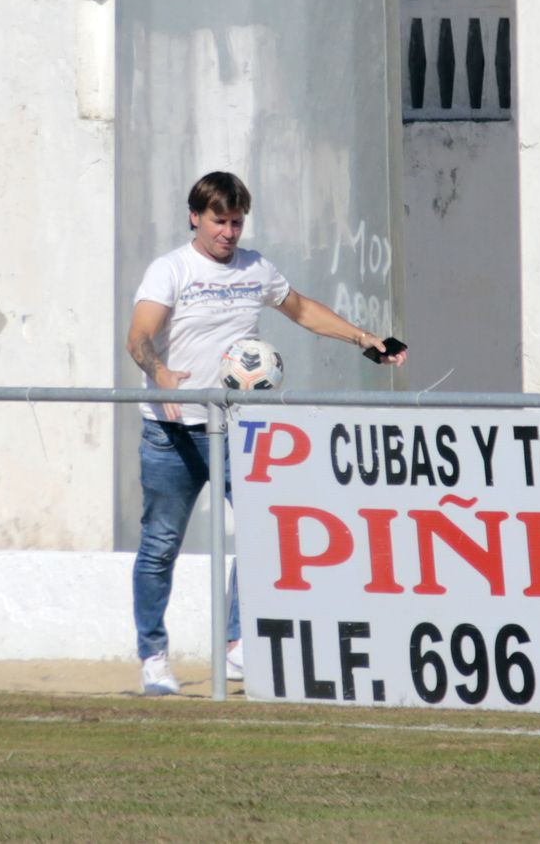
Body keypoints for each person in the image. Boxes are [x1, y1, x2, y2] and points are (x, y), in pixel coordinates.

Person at [125, 171, 406, 695]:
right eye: (218, 222)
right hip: (172, 432)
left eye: (235, 222)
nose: (228, 233)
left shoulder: (256, 269)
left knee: (261, 534)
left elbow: (300, 309)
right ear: (195, 217)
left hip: (235, 429)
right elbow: (139, 335)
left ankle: (236, 647)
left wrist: (365, 339)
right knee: (160, 545)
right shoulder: (170, 270)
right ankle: (154, 657)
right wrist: (159, 371)